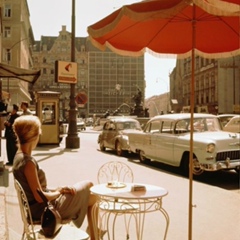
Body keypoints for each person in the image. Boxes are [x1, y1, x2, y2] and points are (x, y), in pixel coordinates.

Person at [12, 115, 101, 239]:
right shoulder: (28, 163)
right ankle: (95, 234)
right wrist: (59, 192)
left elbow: (37, 191)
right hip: (46, 211)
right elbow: (40, 197)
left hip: (40, 208)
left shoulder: (18, 157)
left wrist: (58, 189)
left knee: (92, 197)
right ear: (34, 136)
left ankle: (95, 234)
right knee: (90, 185)